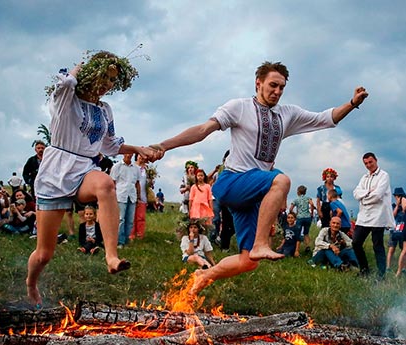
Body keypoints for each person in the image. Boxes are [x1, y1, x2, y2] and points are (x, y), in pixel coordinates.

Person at [151, 61, 368, 298]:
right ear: (258, 83)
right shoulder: (239, 107)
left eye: (281, 88)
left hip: (251, 195)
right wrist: (163, 145)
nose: (277, 91)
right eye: (273, 85)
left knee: (248, 261)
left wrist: (352, 104)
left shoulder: (287, 114)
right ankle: (261, 243)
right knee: (282, 180)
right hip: (232, 181)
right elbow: (203, 130)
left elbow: (326, 118)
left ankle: (205, 275)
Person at [26, 50, 155, 308]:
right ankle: (31, 282)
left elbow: (109, 146)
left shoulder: (105, 110)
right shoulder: (67, 98)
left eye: (112, 80)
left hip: (84, 168)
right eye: (105, 77)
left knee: (106, 184)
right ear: (92, 73)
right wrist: (78, 69)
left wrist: (138, 149)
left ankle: (111, 257)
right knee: (44, 254)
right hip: (55, 172)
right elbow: (64, 82)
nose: (108, 85)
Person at [352, 152, 394, 279]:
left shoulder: (384, 175)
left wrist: (363, 198)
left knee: (377, 246)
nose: (369, 165)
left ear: (376, 160)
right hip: (364, 216)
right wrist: (366, 192)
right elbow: (355, 192)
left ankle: (381, 275)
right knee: (356, 242)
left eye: (371, 162)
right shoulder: (364, 177)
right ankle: (364, 270)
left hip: (378, 216)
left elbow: (378, 195)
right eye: (366, 163)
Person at [111, 152, 141, 248]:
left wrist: (138, 197)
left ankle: (126, 239)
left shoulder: (136, 168)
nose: (128, 155)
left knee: (130, 220)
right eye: (127, 153)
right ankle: (120, 241)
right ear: (123, 154)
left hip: (132, 195)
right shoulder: (117, 167)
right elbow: (112, 182)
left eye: (130, 154)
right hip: (121, 195)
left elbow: (137, 183)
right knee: (121, 219)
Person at [289, 185, 315, 253]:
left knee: (298, 233)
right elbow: (312, 204)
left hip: (300, 217)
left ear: (298, 192)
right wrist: (311, 212)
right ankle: (308, 246)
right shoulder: (308, 198)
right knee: (306, 233)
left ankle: (296, 249)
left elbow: (290, 208)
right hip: (307, 217)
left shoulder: (296, 199)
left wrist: (294, 214)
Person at [386, 187, 406, 271]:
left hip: (403, 230)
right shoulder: (393, 206)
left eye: (401, 196)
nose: (399, 198)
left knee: (404, 249)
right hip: (394, 230)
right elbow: (392, 217)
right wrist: (397, 206)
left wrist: (403, 206)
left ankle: (403, 267)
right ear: (395, 197)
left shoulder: (405, 206)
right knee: (391, 248)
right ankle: (388, 267)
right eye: (398, 196)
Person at [130, 154, 148, 241]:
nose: (141, 157)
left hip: (143, 195)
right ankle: (131, 234)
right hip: (133, 193)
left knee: (141, 216)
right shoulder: (132, 166)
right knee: (132, 215)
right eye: (140, 155)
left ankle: (140, 234)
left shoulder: (146, 169)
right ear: (136, 156)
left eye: (143, 156)